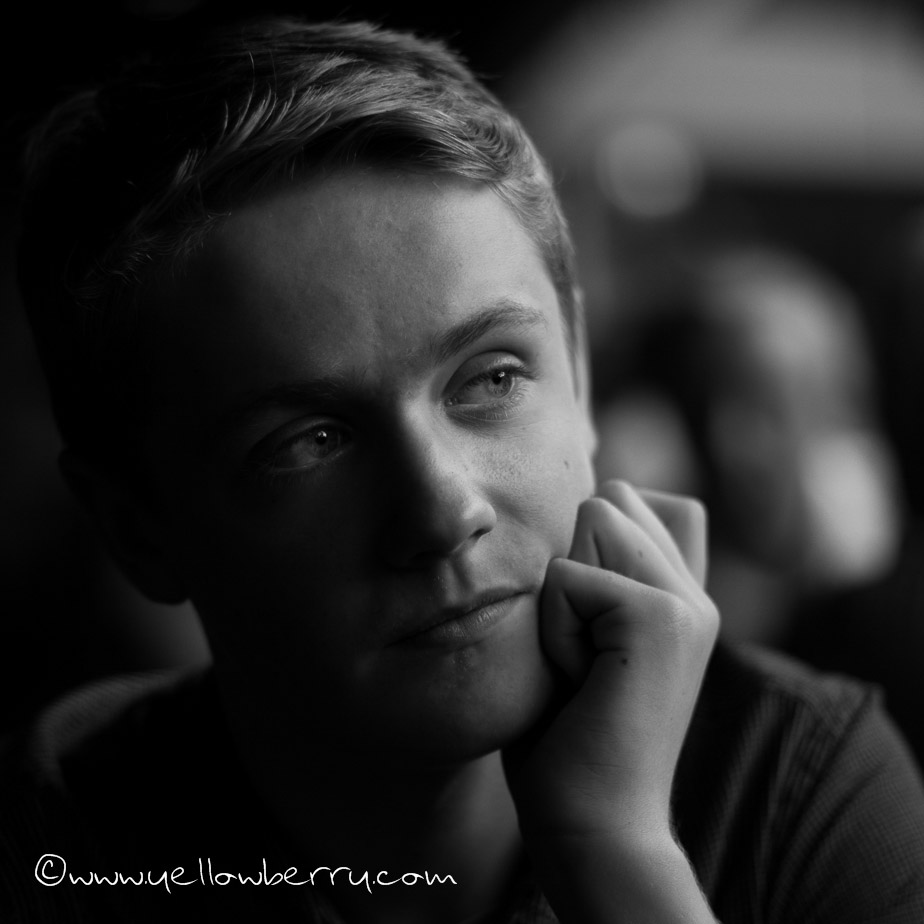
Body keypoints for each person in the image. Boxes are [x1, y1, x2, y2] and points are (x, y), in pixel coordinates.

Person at [2, 16, 923, 924]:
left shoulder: (797, 788)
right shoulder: (57, 851)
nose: (443, 512)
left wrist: (616, 852)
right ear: (136, 526)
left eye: (492, 378)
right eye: (307, 440)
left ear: (581, 380)